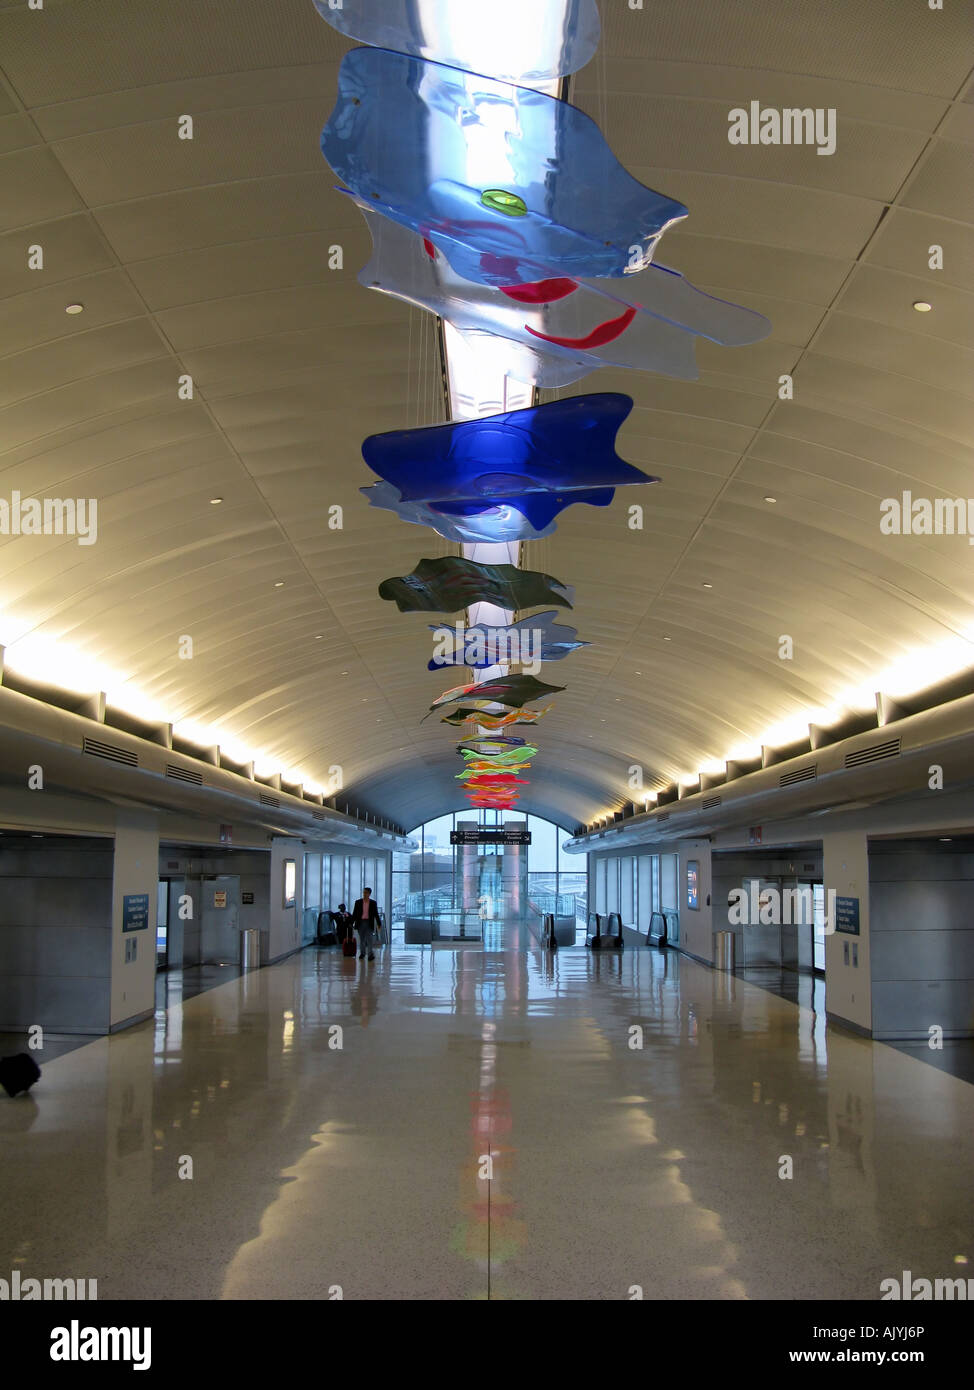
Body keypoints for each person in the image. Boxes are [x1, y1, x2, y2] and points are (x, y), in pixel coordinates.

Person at [351, 887, 382, 961]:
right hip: (360, 922)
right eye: (364, 892)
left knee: (369, 939)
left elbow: (376, 914)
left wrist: (379, 923)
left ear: (369, 894)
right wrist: (351, 922)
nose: (364, 894)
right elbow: (355, 913)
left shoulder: (373, 903)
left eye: (366, 893)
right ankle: (362, 953)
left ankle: (370, 954)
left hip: (369, 922)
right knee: (362, 939)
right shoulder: (358, 902)